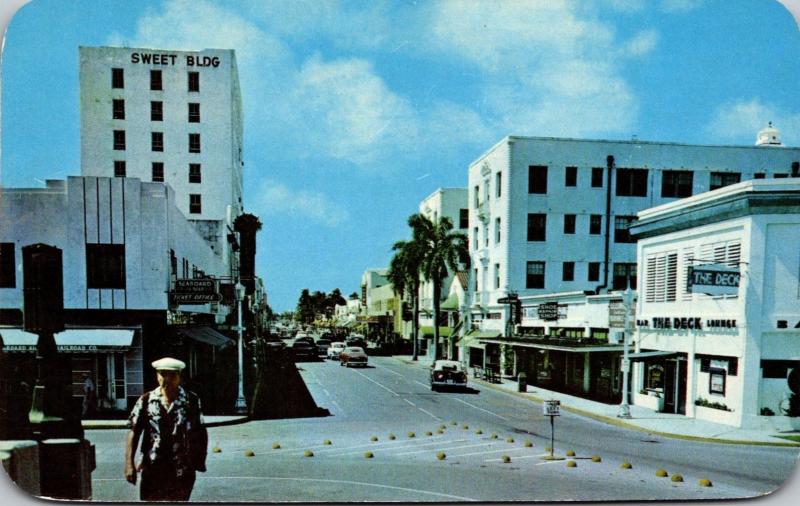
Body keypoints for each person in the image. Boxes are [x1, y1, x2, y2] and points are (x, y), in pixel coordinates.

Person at [125, 357, 208, 501]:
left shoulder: (191, 400)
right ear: (157, 376)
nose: (167, 379)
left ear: (179, 377)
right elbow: (134, 432)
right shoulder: (145, 401)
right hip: (153, 466)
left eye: (172, 375)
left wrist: (198, 461)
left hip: (182, 467)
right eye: (163, 374)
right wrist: (129, 464)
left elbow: (200, 431)